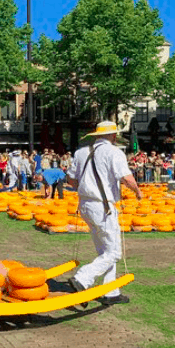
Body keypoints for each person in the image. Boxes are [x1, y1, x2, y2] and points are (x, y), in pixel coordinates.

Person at [66, 121, 142, 307]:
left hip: (85, 204)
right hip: (103, 206)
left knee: (105, 250)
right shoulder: (114, 152)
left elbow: (70, 178)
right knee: (114, 252)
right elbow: (125, 177)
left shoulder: (81, 152)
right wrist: (138, 192)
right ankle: (83, 278)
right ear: (113, 136)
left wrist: (86, 189)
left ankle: (111, 291)